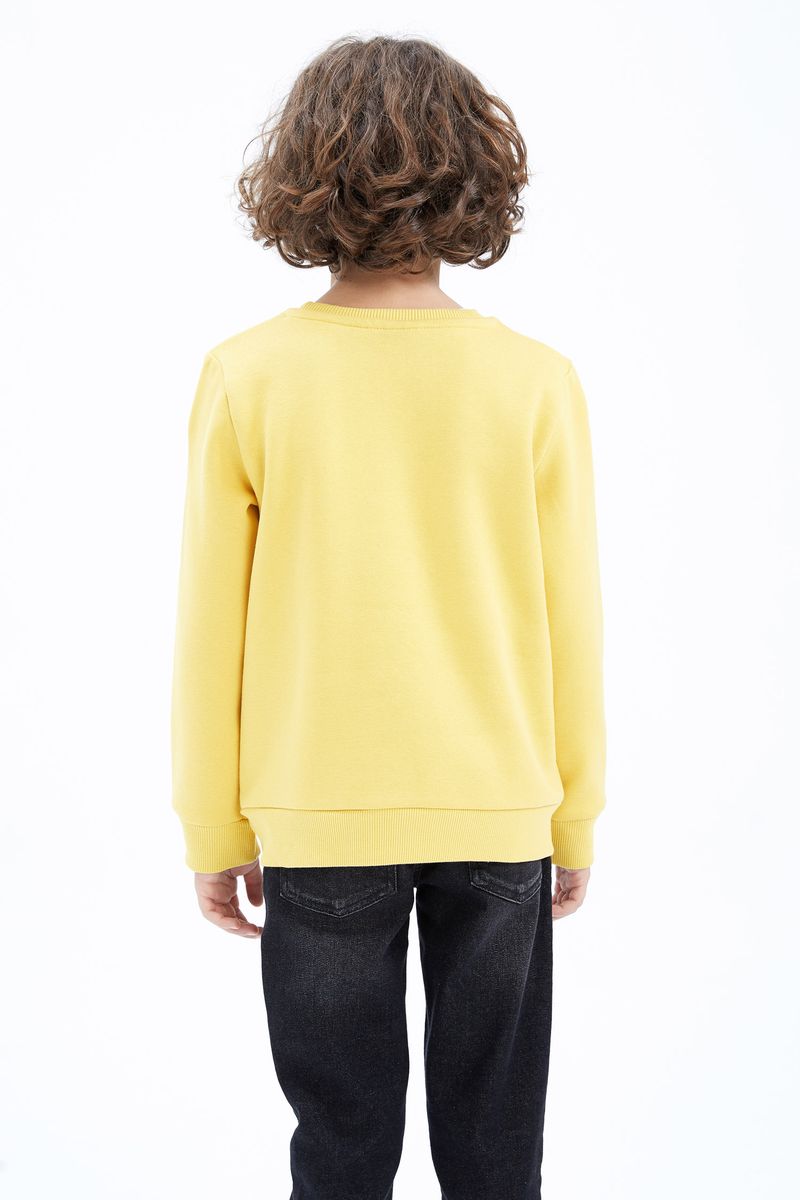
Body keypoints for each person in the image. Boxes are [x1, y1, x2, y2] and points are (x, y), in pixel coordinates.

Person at [170, 33, 606, 1200]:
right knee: (495, 1149)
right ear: (477, 176)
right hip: (498, 804)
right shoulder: (533, 380)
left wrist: (213, 825)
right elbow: (571, 618)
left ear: (299, 176)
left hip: (318, 812)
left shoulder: (248, 373)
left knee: (341, 1146)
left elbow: (211, 626)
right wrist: (571, 813)